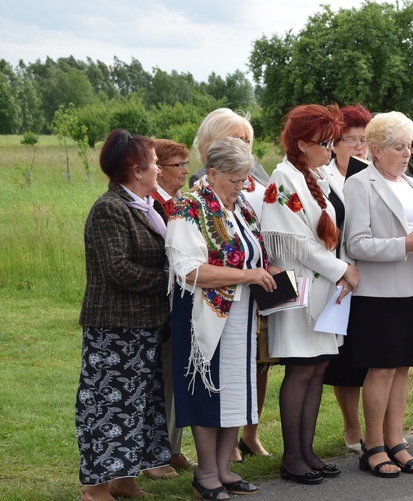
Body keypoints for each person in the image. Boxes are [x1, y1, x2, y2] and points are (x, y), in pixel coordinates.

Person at [343, 111, 413, 478]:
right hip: (377, 292)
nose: (407, 153)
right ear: (374, 150)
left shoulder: (412, 184)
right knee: (382, 368)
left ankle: (397, 441)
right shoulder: (361, 184)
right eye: (397, 147)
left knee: (403, 366)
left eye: (408, 146)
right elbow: (356, 244)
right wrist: (406, 243)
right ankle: (372, 446)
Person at [166, 137, 272, 499]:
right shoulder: (189, 207)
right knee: (207, 391)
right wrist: (247, 276)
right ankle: (205, 474)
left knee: (236, 391)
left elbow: (251, 251)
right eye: (235, 180)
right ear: (212, 173)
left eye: (245, 180)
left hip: (241, 313)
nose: (242, 187)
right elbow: (187, 269)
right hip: (204, 315)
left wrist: (266, 274)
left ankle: (224, 468)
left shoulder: (239, 205)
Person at [260, 104, 360, 485]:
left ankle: (308, 451)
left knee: (318, 369)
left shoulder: (320, 174)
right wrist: (341, 269)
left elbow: (338, 229)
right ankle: (292, 457)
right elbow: (296, 244)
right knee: (301, 370)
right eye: (324, 143)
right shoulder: (283, 178)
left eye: (333, 141)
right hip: (302, 289)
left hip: (327, 290)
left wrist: (344, 269)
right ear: (301, 143)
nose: (330, 149)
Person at [76, 129, 171, 501]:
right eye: (154, 164)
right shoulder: (109, 209)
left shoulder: (143, 206)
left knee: (140, 406)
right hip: (115, 328)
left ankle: (124, 479)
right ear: (136, 169)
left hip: (144, 326)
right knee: (107, 407)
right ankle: (96, 488)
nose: (159, 171)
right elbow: (118, 269)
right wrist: (171, 281)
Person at [190, 108, 273, 460]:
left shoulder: (259, 172)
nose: (242, 145)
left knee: (260, 363)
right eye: (234, 139)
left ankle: (248, 434)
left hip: (257, 284)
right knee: (227, 369)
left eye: (246, 140)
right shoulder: (200, 183)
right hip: (224, 293)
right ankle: (222, 450)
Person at [144, 139, 197, 479]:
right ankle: (156, 455)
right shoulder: (154, 206)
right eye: (179, 165)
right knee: (160, 380)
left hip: (182, 301)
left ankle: (173, 448)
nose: (185, 171)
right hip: (159, 304)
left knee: (177, 378)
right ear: (159, 169)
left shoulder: (181, 203)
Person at [322, 104, 372, 453]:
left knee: (374, 355)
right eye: (350, 140)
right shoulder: (324, 179)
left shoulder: (375, 174)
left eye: (364, 140)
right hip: (338, 277)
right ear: (334, 144)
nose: (358, 147)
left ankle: (379, 427)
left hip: (374, 276)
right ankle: (352, 428)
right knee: (345, 358)